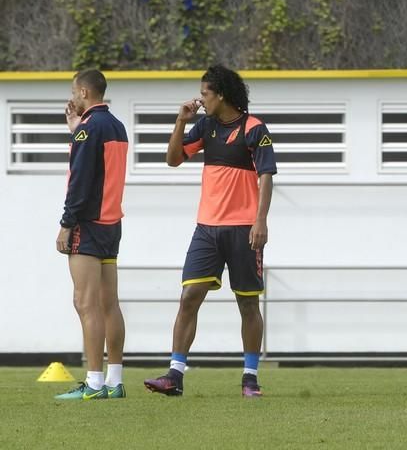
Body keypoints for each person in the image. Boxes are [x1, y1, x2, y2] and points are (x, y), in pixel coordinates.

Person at [144, 64, 276, 398]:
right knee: (189, 297)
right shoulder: (204, 125)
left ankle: (250, 379)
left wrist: (260, 221)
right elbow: (173, 159)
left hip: (244, 229)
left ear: (222, 94)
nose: (200, 99)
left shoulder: (254, 128)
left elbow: (265, 177)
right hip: (207, 229)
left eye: (205, 93)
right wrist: (180, 122)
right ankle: (174, 375)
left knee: (248, 304)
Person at [55, 69, 128, 400]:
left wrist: (66, 223)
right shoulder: (116, 126)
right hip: (112, 224)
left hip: (88, 224)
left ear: (84, 92)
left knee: (85, 303)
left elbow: (81, 181)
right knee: (108, 303)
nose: (72, 96)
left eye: (74, 91)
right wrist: (75, 131)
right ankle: (114, 381)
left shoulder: (89, 128)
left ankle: (94, 383)